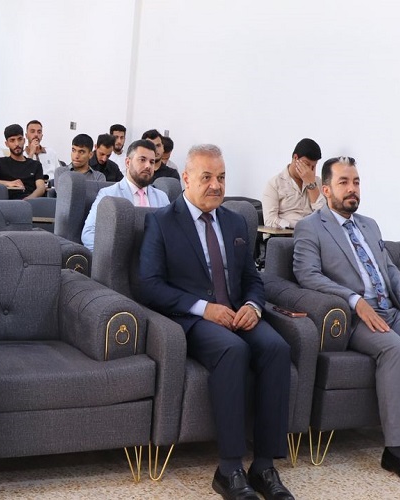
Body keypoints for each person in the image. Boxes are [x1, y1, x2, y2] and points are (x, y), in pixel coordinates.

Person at [293, 156, 400, 486]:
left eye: (356, 182)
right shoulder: (310, 227)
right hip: (354, 318)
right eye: (344, 182)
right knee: (394, 349)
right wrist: (354, 301)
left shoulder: (369, 225)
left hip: (390, 311)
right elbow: (307, 275)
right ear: (326, 189)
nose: (352, 189)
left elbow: (391, 271)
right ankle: (396, 450)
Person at [138, 144, 293, 500]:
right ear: (186, 178)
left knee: (276, 348)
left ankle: (264, 466)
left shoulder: (235, 221)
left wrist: (253, 306)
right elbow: (149, 285)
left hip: (238, 312)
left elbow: (252, 277)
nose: (216, 185)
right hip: (193, 319)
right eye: (207, 177)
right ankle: (229, 469)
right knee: (232, 350)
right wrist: (203, 309)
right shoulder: (161, 222)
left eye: (221, 177)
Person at [80, 139, 169, 251]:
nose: (148, 166)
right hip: (120, 258)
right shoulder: (109, 194)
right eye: (142, 160)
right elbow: (89, 233)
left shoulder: (162, 197)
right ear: (127, 162)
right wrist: (111, 256)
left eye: (152, 162)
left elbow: (170, 234)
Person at [262, 138, 324, 228]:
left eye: (313, 166)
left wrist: (311, 185)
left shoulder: (317, 183)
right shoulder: (274, 184)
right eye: (306, 164)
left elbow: (324, 217)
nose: (309, 170)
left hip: (313, 234)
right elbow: (270, 221)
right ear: (295, 158)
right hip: (285, 233)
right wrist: (297, 226)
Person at [0, 124, 45, 200]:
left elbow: (41, 188)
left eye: (19, 139)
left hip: (31, 202)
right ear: (7, 144)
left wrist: (28, 199)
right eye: (12, 140)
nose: (17, 144)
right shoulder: (0, 162)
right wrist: (9, 183)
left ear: (24, 140)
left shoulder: (35, 165)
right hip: (8, 203)